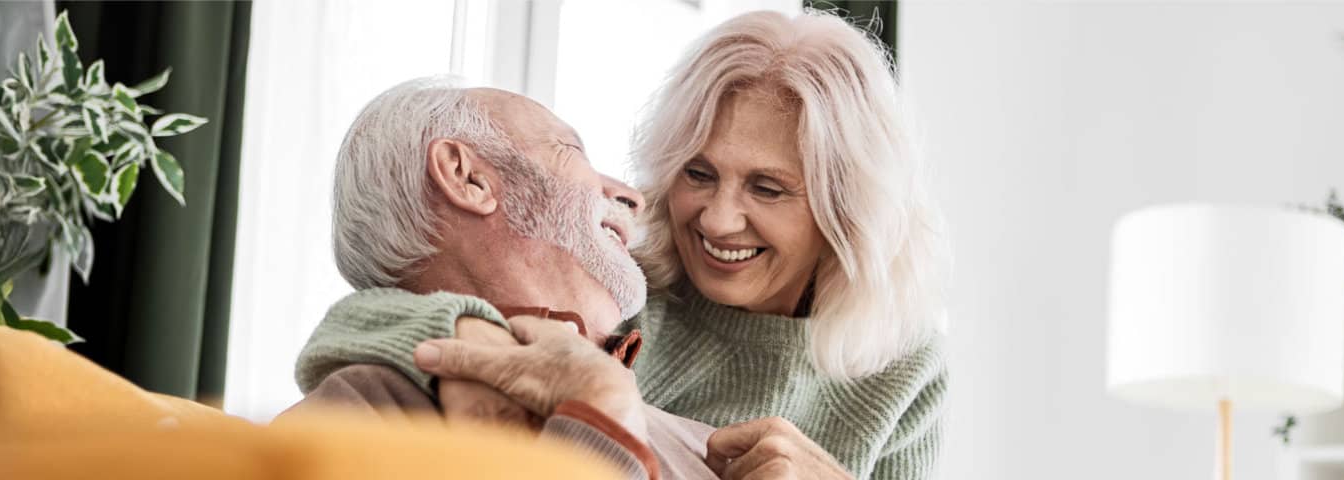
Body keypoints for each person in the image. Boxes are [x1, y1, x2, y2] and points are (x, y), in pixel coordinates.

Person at [302, 10, 950, 479]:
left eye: (768, 189)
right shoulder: (623, 280)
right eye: (698, 174)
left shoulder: (904, 366)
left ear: (846, 210)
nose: (718, 220)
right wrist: (468, 331)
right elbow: (390, 293)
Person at [285, 77, 717, 480]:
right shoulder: (343, 424)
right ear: (467, 177)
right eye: (571, 149)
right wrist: (601, 423)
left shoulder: (712, 450)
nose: (632, 197)